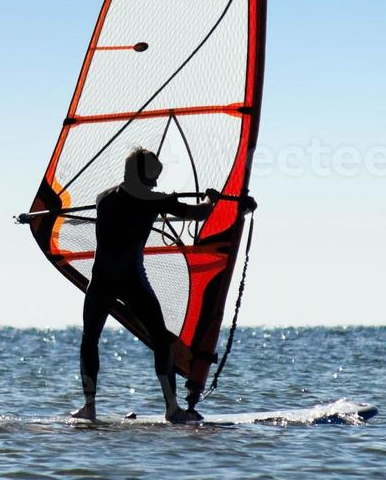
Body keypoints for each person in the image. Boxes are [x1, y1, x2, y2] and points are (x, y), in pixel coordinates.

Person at [73, 148, 254, 424]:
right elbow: (199, 213)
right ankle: (172, 409)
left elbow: (133, 201)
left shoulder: (103, 198)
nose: (156, 182)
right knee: (161, 341)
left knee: (90, 338)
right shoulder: (153, 200)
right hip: (131, 282)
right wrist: (211, 198)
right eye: (154, 175)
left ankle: (89, 406)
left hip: (101, 282)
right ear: (141, 173)